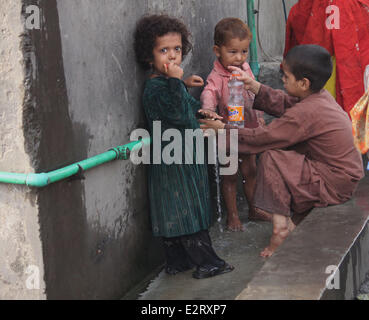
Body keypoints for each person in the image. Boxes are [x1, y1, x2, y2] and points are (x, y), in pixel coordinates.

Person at [199, 44, 364, 257]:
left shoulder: (306, 112)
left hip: (333, 183)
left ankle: (280, 229)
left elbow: (264, 138)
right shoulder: (319, 97)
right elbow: (286, 102)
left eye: (285, 77)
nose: (282, 80)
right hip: (342, 176)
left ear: (304, 83)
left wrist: (222, 130)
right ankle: (292, 221)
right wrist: (254, 86)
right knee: (284, 155)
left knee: (271, 157)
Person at [133, 14, 234, 279]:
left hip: (182, 158)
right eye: (163, 50)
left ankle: (178, 262)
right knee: (186, 211)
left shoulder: (167, 84)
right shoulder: (154, 89)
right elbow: (177, 114)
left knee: (178, 210)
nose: (172, 56)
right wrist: (179, 82)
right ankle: (209, 263)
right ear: (148, 56)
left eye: (176, 49)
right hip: (172, 161)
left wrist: (204, 114)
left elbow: (188, 109)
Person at [200, 18, 267, 232]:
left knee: (251, 171)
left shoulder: (245, 68)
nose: (239, 58)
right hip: (227, 133)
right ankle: (233, 216)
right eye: (233, 52)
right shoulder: (217, 77)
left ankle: (254, 209)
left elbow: (255, 94)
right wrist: (209, 111)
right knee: (229, 175)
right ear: (217, 51)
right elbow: (209, 94)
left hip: (248, 129)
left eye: (244, 51)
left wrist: (260, 118)